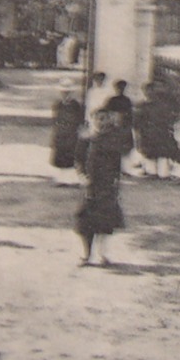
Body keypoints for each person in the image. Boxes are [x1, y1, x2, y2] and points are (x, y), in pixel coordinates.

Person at [76, 109, 126, 266]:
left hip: (107, 185)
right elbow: (79, 160)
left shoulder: (113, 139)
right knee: (85, 222)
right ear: (92, 120)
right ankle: (86, 255)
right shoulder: (86, 140)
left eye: (104, 118)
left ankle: (102, 254)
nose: (101, 122)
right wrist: (82, 176)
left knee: (105, 221)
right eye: (97, 118)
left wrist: (116, 183)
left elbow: (117, 164)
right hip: (91, 185)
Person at [133, 81, 177, 180]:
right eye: (146, 90)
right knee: (148, 152)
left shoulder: (163, 105)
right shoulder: (141, 105)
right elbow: (137, 121)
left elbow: (169, 118)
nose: (149, 92)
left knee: (162, 152)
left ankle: (163, 174)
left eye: (151, 90)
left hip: (160, 131)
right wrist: (138, 132)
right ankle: (151, 172)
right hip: (146, 132)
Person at [49, 79, 84, 185]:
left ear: (71, 93)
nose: (65, 94)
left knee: (71, 156)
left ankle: (72, 179)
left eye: (67, 92)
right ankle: (61, 179)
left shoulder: (76, 105)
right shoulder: (58, 104)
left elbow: (79, 120)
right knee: (60, 156)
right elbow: (55, 120)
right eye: (63, 92)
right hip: (60, 133)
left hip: (71, 134)